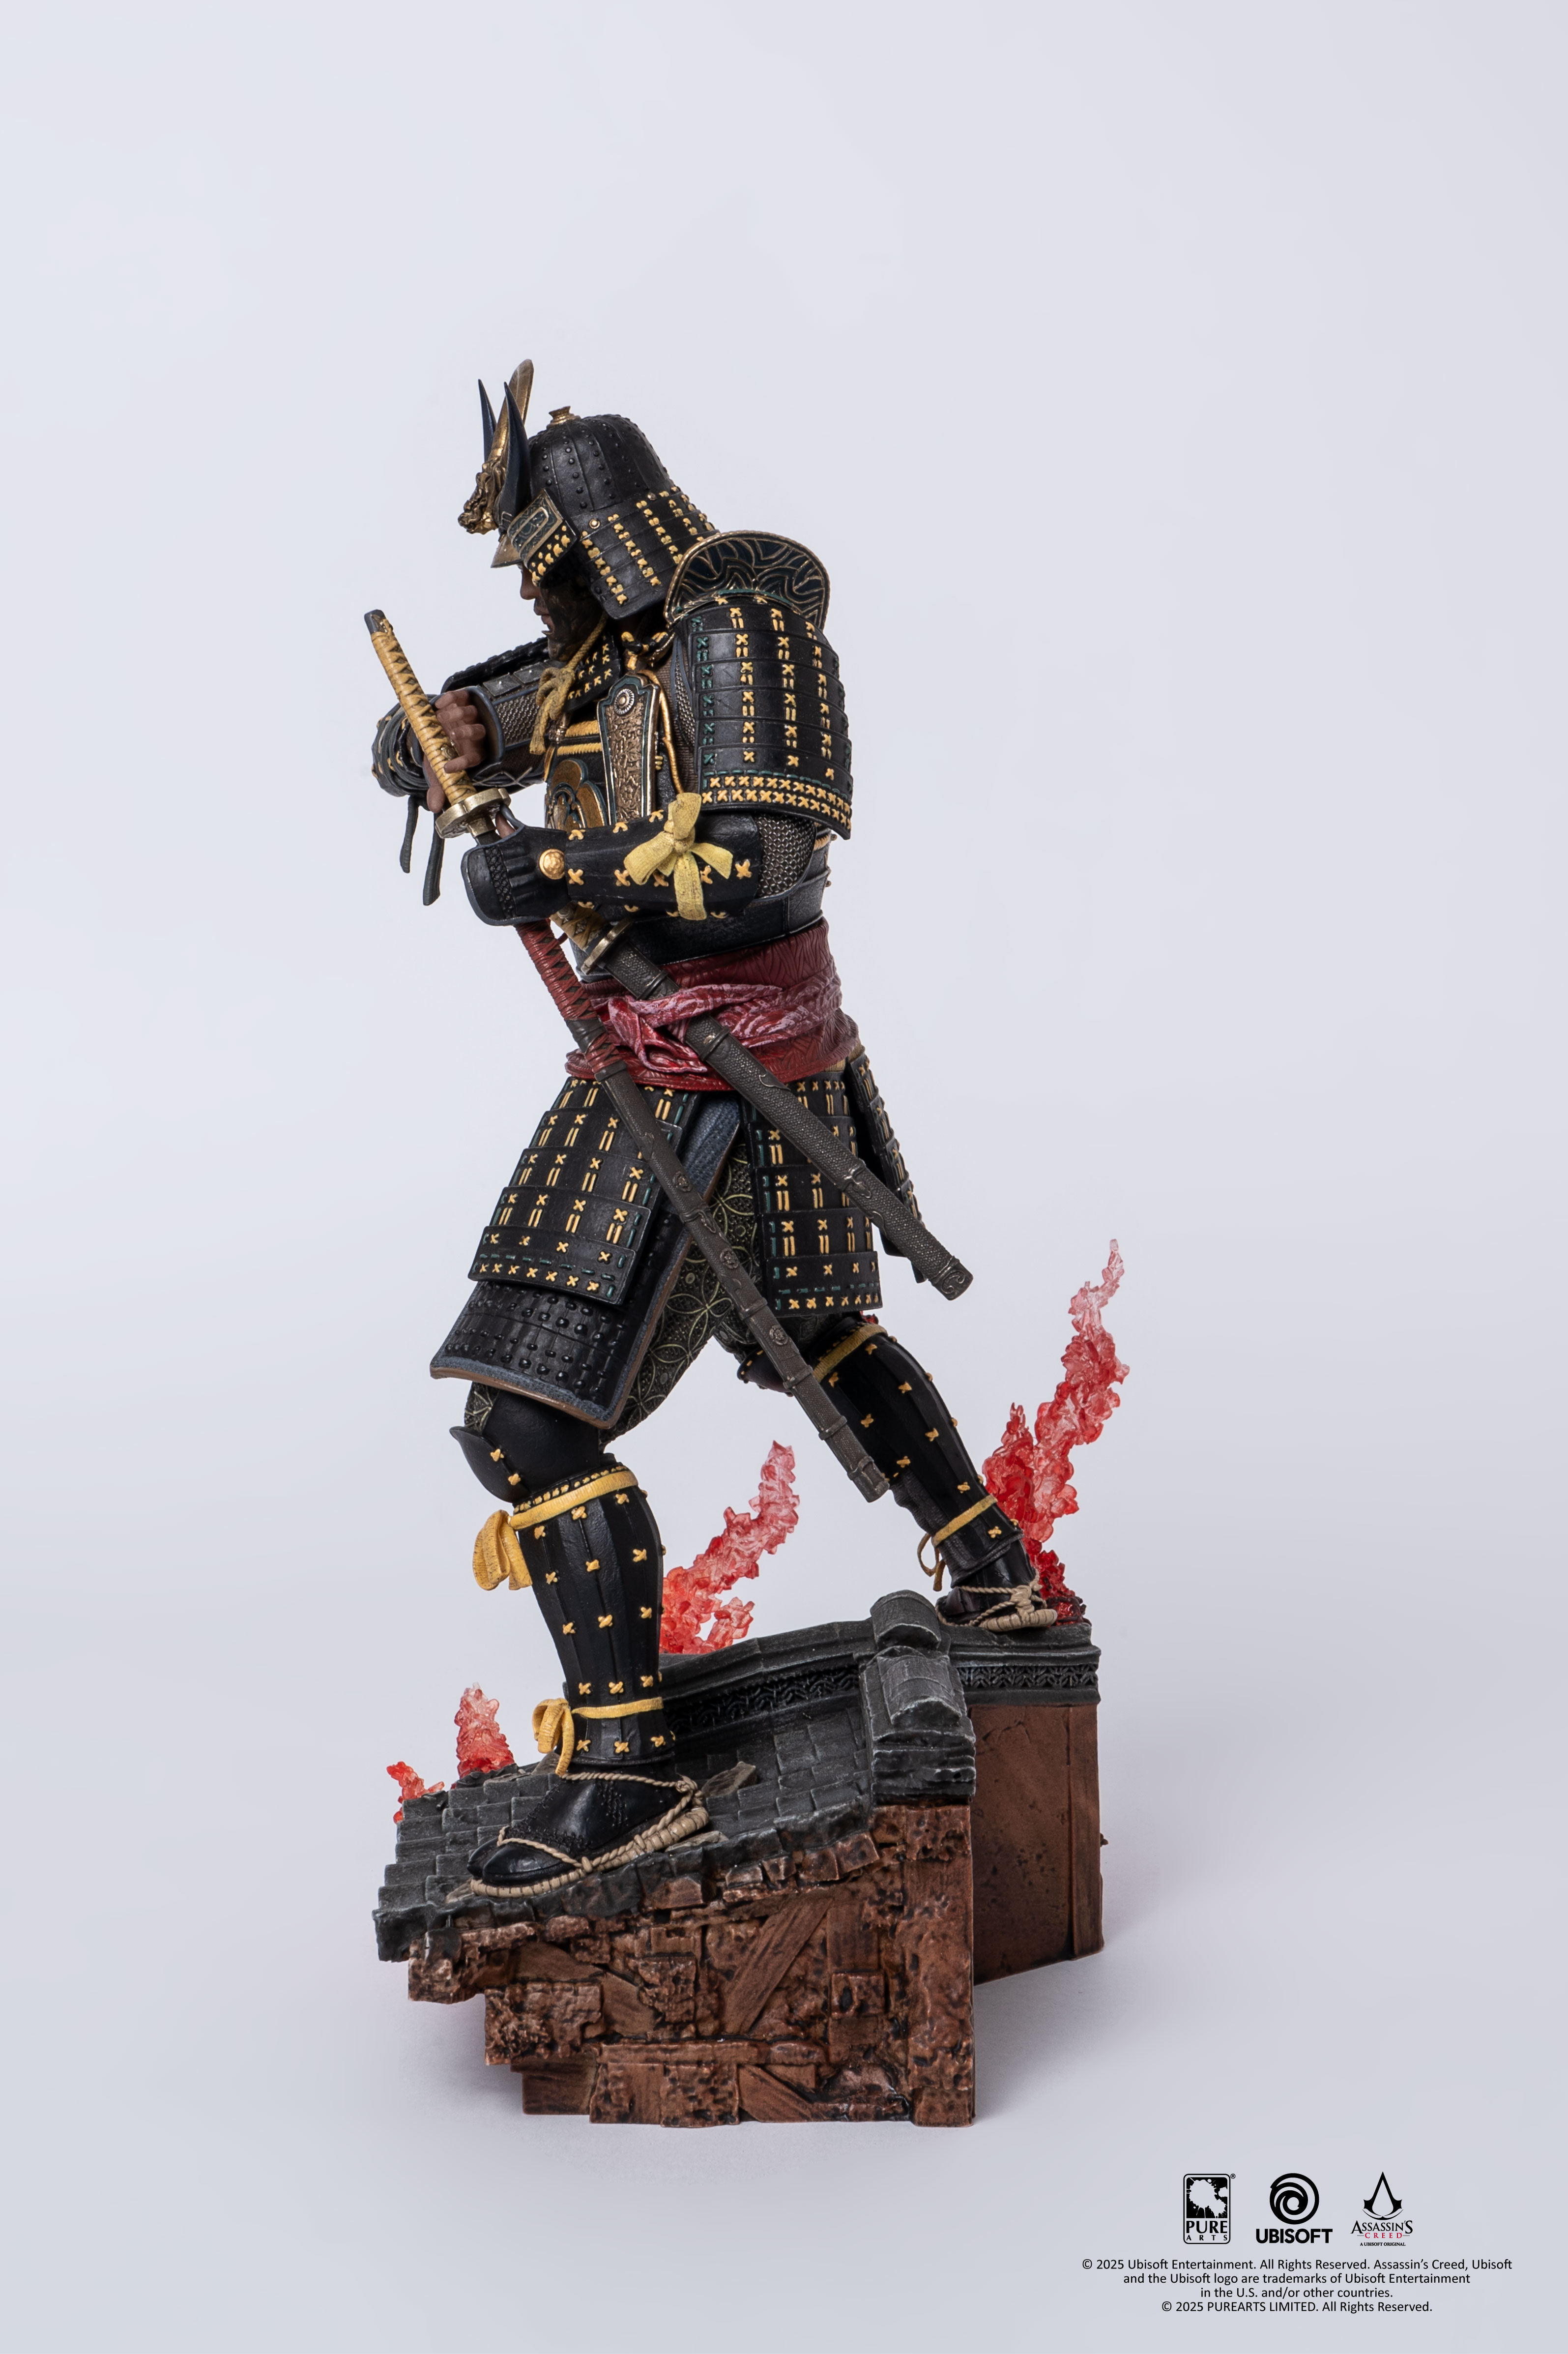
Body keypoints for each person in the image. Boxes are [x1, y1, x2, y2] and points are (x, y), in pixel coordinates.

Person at [371, 360, 1053, 1895]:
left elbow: (760, 860)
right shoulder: (606, 657)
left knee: (528, 1417)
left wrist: (558, 872)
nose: (534, 598)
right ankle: (995, 1571)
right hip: (690, 1059)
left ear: (592, 538)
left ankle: (626, 1767)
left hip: (718, 1070)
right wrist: (438, 736)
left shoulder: (744, 637)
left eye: (543, 562)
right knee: (822, 1334)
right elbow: (483, 721)